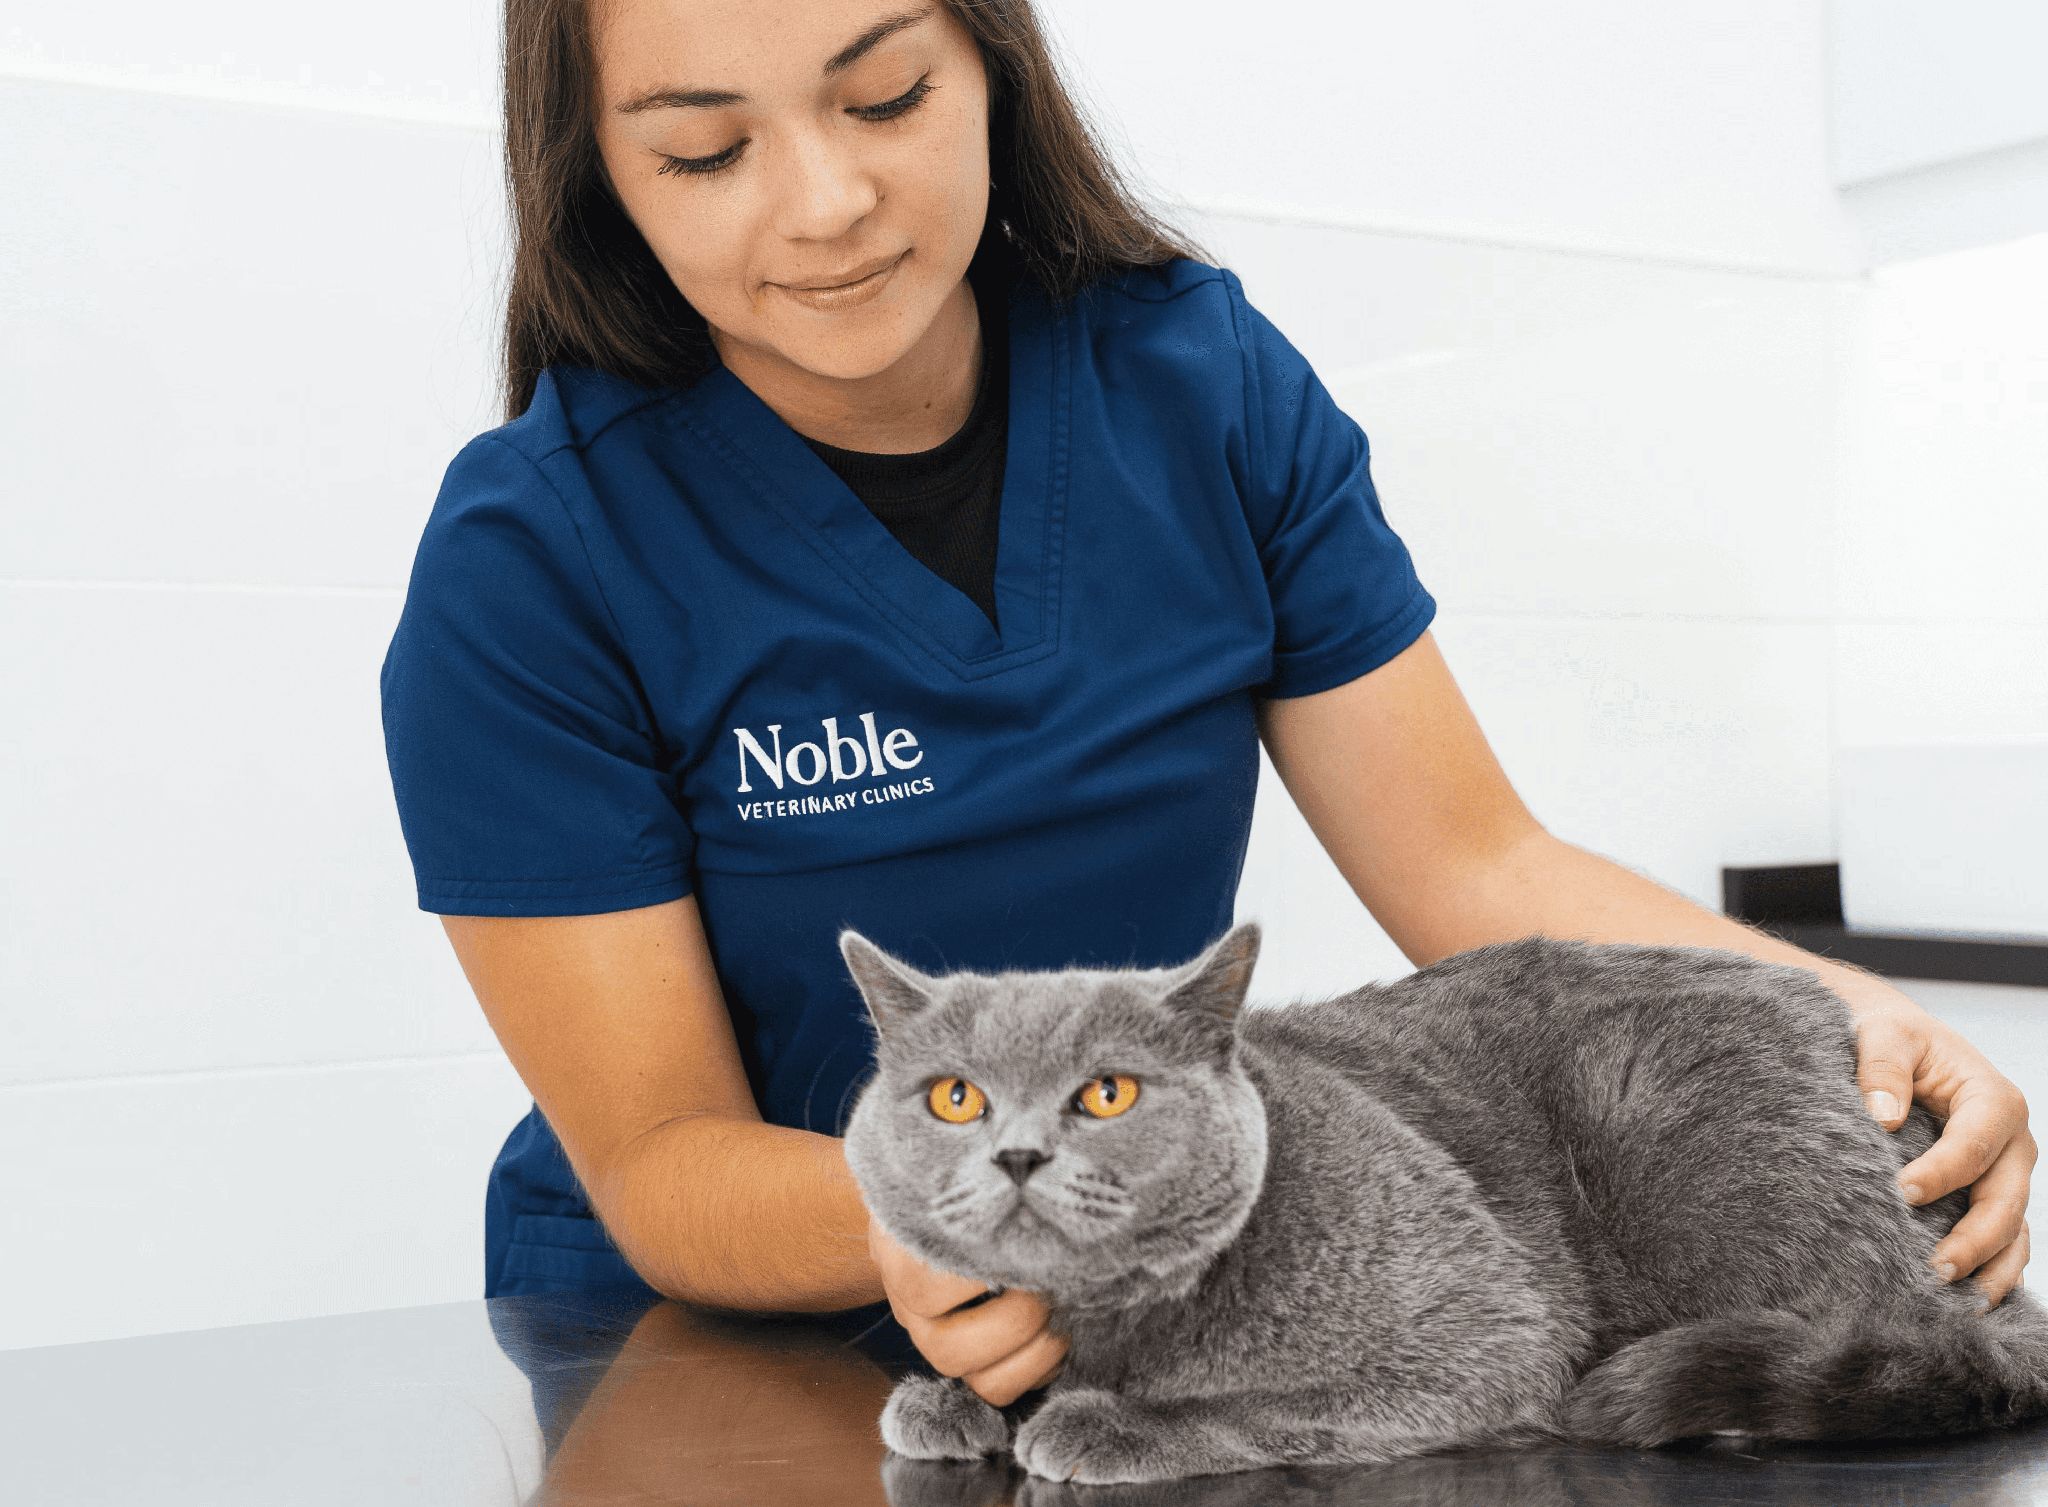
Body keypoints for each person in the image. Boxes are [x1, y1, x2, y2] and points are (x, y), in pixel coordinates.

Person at [380, 0, 2035, 1428]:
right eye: (704, 152)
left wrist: (1846, 1014)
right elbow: (664, 1154)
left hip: (1168, 1299)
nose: (826, 200)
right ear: (599, 168)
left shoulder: (1203, 388)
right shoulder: (535, 557)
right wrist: (929, 1223)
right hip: (717, 1358)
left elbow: (1473, 863)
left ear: (992, 61)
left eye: (884, 98)